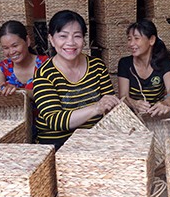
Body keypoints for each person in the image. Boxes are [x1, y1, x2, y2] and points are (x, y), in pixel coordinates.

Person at [33, 10, 119, 149]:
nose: (71, 42)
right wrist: (96, 108)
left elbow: (110, 105)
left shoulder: (97, 66)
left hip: (94, 142)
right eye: (63, 36)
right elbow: (55, 120)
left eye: (77, 36)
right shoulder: (44, 74)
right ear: (51, 39)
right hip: (56, 146)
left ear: (84, 39)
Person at [117, 19, 170, 117]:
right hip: (134, 116)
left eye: (136, 38)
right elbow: (123, 96)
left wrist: (167, 102)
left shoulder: (163, 62)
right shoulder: (125, 64)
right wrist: (134, 103)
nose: (131, 44)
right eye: (129, 39)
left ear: (151, 40)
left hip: (158, 113)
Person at [0, 20, 48, 95]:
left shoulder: (45, 64)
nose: (11, 52)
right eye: (6, 48)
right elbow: (0, 102)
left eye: (15, 46)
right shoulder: (2, 69)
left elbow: (51, 95)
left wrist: (18, 92)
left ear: (27, 41)